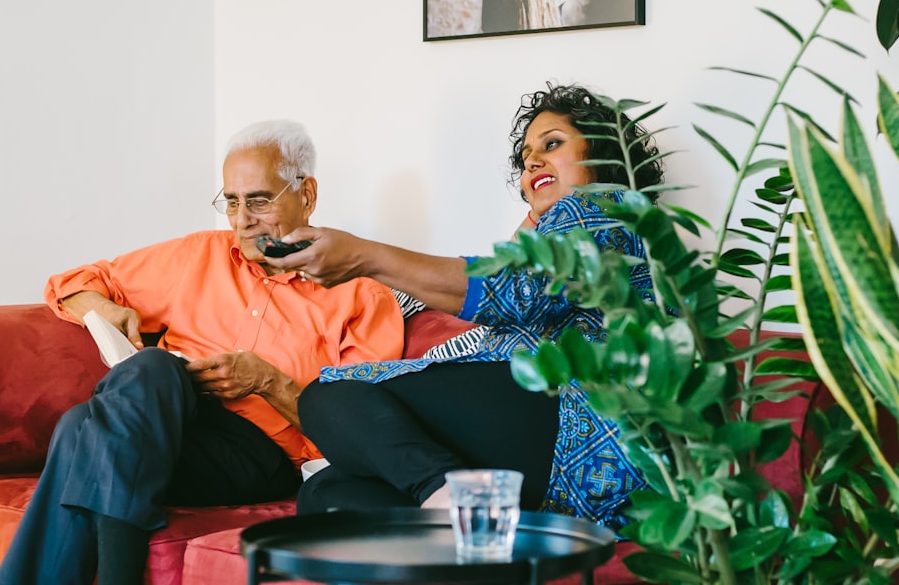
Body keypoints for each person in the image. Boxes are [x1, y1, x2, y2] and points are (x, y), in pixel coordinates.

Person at [0, 120, 405, 585]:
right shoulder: (200, 255)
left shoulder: (360, 294)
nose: (243, 221)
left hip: (258, 451)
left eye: (260, 201)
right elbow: (72, 282)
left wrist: (265, 381)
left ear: (306, 194)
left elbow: (358, 434)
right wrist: (104, 308)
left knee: (81, 429)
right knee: (153, 368)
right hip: (168, 420)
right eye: (232, 202)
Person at [268, 83, 664, 532]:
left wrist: (367, 257)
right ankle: (484, 521)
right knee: (327, 494)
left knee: (329, 396)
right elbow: (507, 312)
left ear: (605, 159)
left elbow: (515, 292)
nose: (532, 161)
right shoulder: (574, 234)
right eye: (526, 157)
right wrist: (528, 233)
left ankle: (453, 500)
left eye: (551, 144)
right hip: (557, 471)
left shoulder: (601, 207)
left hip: (583, 423)